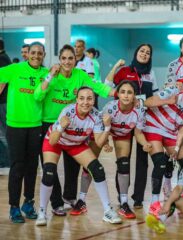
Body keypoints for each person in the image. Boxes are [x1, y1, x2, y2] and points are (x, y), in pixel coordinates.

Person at [34, 44, 114, 216]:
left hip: (75, 124)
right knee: (50, 169)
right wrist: (49, 77)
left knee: (73, 167)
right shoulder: (52, 75)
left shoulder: (80, 75)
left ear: (76, 60)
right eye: (64, 58)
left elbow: (97, 87)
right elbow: (38, 95)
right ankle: (55, 204)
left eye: (71, 58)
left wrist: (116, 93)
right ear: (59, 60)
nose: (67, 61)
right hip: (51, 124)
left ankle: (69, 197)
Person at [35, 87, 122, 226]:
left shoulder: (96, 116)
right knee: (49, 172)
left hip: (76, 143)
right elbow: (52, 141)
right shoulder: (67, 112)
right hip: (56, 141)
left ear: (94, 100)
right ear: (77, 99)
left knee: (97, 169)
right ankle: (42, 212)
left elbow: (99, 142)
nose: (85, 102)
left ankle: (107, 211)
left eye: (89, 98)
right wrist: (61, 127)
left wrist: (107, 127)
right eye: (82, 98)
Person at [73, 81, 152, 219]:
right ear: (118, 94)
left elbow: (138, 133)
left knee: (124, 165)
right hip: (104, 132)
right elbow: (102, 128)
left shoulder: (139, 110)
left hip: (123, 135)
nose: (126, 95)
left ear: (134, 96)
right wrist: (105, 143)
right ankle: (81, 200)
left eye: (129, 92)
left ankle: (124, 203)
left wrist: (145, 143)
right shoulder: (110, 108)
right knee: (90, 166)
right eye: (122, 92)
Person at [0, 42, 48, 223]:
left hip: (35, 126)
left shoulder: (46, 74)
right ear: (27, 54)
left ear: (43, 55)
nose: (36, 56)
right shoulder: (14, 69)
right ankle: (14, 207)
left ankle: (28, 202)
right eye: (33, 52)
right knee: (17, 167)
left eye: (40, 53)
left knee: (32, 167)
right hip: (15, 126)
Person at [106, 44, 158, 209]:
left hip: (143, 119)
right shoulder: (124, 71)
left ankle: (138, 198)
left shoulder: (151, 74)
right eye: (142, 51)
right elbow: (107, 84)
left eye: (148, 52)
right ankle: (122, 197)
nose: (144, 54)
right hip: (123, 118)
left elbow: (154, 96)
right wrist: (115, 66)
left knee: (143, 160)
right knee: (123, 161)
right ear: (136, 53)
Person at [143, 73, 183, 204]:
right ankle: (155, 202)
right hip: (154, 126)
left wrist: (176, 148)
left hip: (171, 132)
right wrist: (167, 101)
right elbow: (148, 102)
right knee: (160, 163)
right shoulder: (174, 90)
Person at [0, 39, 12, 175]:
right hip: (3, 102)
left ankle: (7, 162)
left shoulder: (2, 58)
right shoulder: (4, 57)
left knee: (4, 134)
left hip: (2, 102)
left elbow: (1, 83)